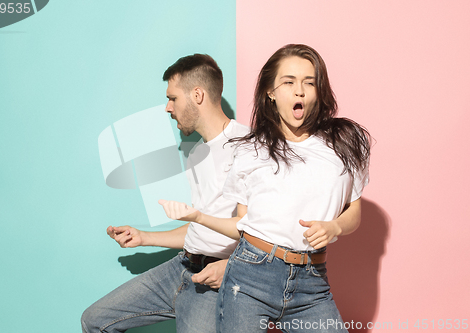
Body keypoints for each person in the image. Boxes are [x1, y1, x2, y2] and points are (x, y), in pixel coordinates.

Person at [159, 44, 371, 332]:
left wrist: (334, 228)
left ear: (319, 90)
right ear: (270, 92)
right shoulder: (249, 150)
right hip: (248, 278)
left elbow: (355, 210)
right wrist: (197, 217)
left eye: (309, 82)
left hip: (312, 282)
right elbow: (242, 227)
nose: (300, 91)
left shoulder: (345, 143)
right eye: (289, 82)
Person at [81, 54, 249, 333]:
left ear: (197, 95)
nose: (167, 107)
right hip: (180, 266)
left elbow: (265, 232)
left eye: (173, 98)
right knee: (94, 320)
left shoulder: (247, 147)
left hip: (213, 281)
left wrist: (231, 267)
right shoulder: (197, 153)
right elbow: (202, 229)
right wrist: (144, 237)